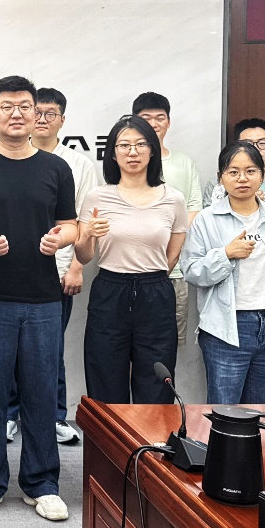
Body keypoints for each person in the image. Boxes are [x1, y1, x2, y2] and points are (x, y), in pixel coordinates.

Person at [0, 76, 77, 523]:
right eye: (7, 106)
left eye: (26, 106)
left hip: (43, 299)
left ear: (36, 113)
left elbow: (72, 225)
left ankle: (41, 483)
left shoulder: (56, 168)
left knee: (41, 391)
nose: (18, 114)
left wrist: (61, 238)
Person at [180, 141, 265, 409]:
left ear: (262, 176)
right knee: (225, 412)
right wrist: (225, 254)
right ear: (221, 178)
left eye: (251, 171)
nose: (242, 178)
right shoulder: (206, 219)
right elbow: (191, 271)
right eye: (233, 172)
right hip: (226, 327)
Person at [75, 114, 187, 405]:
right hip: (110, 291)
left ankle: (153, 437)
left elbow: (173, 254)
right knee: (105, 376)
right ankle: (109, 437)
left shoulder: (173, 198)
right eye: (124, 145)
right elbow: (84, 255)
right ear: (112, 153)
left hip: (156, 293)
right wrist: (87, 235)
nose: (132, 152)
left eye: (141, 144)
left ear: (153, 150)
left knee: (156, 381)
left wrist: (149, 278)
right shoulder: (97, 197)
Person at [27, 87, 97, 446]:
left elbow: (84, 220)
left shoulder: (78, 164)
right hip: (12, 272)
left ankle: (54, 416)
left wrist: (76, 268)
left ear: (62, 120)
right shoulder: (10, 155)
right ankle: (11, 415)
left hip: (58, 272)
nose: (41, 119)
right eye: (36, 111)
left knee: (50, 348)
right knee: (11, 350)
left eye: (49, 113)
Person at [133, 92, 203, 354]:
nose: (153, 123)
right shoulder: (128, 162)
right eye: (146, 117)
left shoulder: (184, 163)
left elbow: (194, 207)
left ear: (169, 122)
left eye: (160, 117)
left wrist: (172, 240)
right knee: (130, 345)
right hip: (133, 271)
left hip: (174, 272)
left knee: (166, 346)